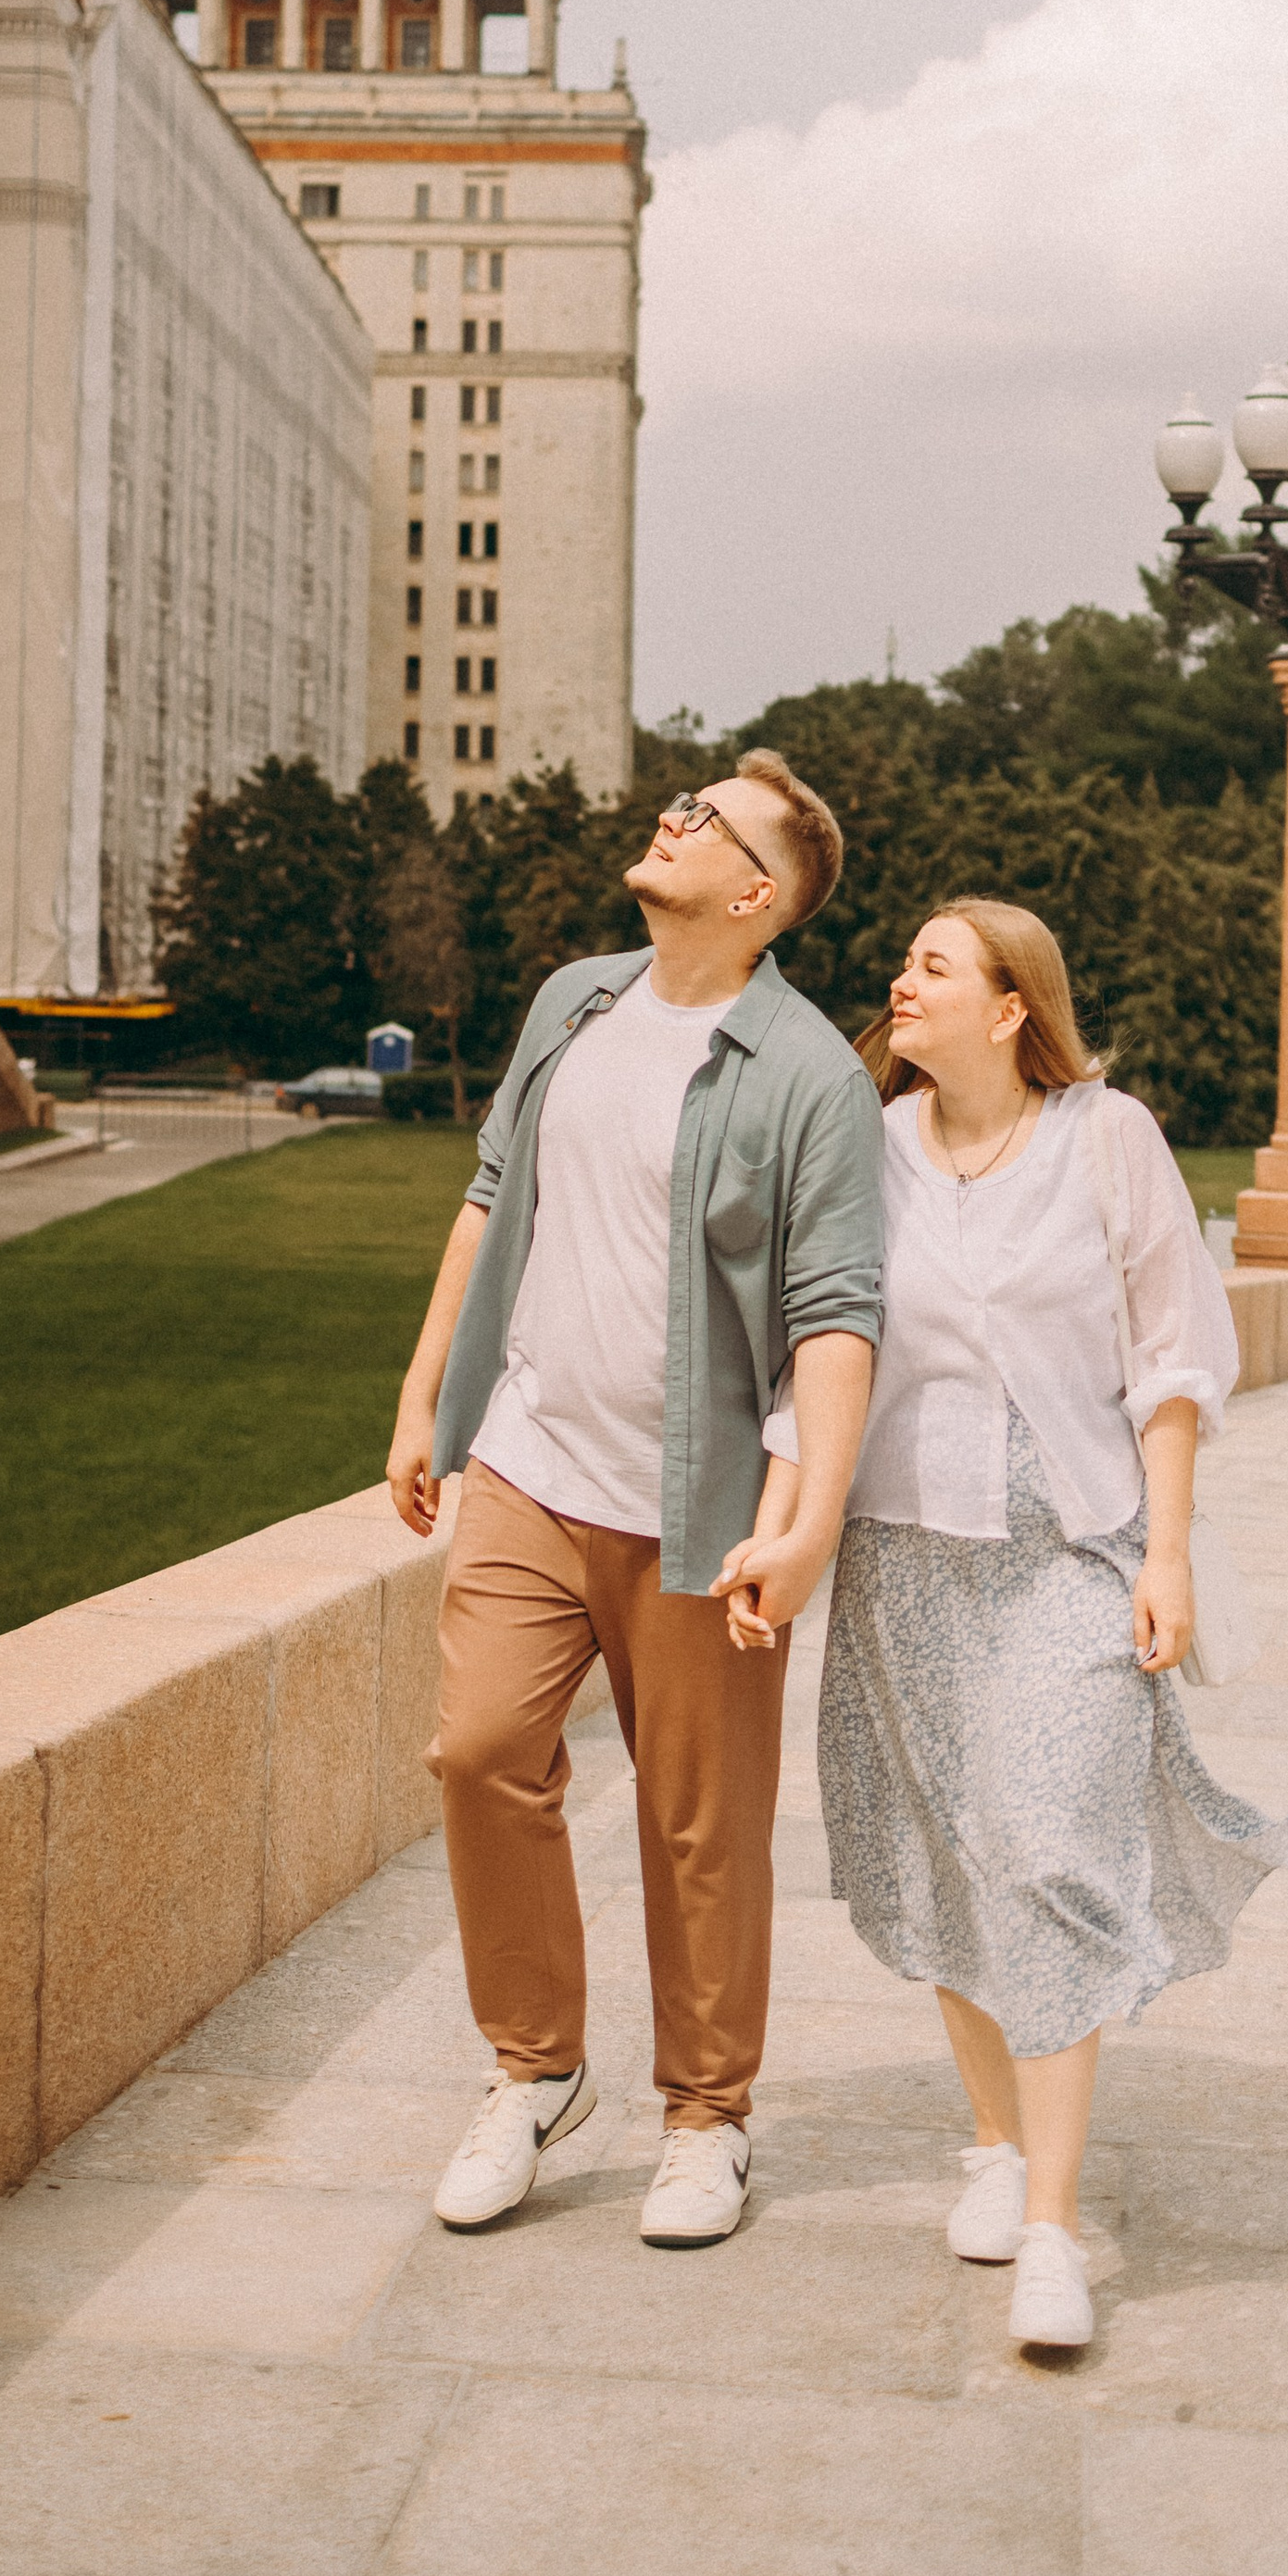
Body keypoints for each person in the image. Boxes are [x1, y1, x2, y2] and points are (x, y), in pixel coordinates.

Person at [745, 897, 1288, 2352]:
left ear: (1011, 1006)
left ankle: (1057, 2228)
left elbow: (1173, 1354)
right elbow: (819, 1353)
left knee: (1053, 1847)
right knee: (949, 1857)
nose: (901, 982)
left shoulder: (1105, 1136)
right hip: (902, 1555)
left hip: (1070, 1543)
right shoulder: (868, 1152)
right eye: (906, 964)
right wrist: (786, 1525)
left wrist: (1168, 1554)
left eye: (933, 966)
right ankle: (997, 2147)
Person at [384, 752, 883, 2250]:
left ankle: (707, 2118)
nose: (671, 818)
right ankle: (536, 2071)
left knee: (701, 1827)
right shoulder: (575, 1003)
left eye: (705, 820)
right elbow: (490, 1197)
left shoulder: (810, 1075)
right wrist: (425, 1400)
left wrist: (802, 1528)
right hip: (531, 1467)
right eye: (684, 800)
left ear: (756, 893)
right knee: (479, 1754)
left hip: (697, 1507)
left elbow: (838, 1319)